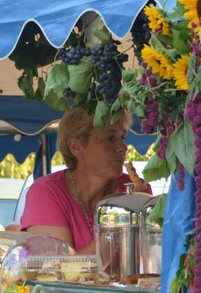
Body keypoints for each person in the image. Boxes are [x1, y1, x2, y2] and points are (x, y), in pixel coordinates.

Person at [20, 108, 147, 253]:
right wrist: (121, 222)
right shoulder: (46, 192)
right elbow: (58, 270)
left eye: (123, 138)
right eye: (110, 138)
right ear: (76, 146)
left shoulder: (137, 192)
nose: (122, 147)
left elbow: (150, 260)